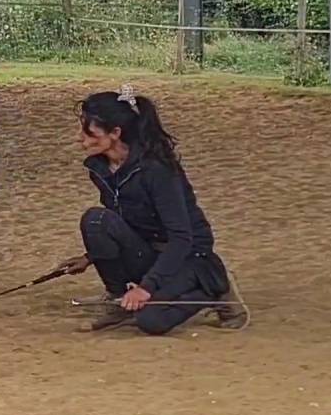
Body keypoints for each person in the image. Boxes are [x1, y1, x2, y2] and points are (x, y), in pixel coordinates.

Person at [57, 84, 247, 334]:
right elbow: (123, 221)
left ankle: (214, 286)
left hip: (188, 255)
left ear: (115, 133)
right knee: (95, 220)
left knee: (150, 320)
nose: (80, 138)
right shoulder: (100, 168)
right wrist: (90, 257)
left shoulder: (157, 170)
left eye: (89, 132)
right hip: (149, 250)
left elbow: (181, 238)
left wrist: (145, 288)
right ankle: (117, 298)